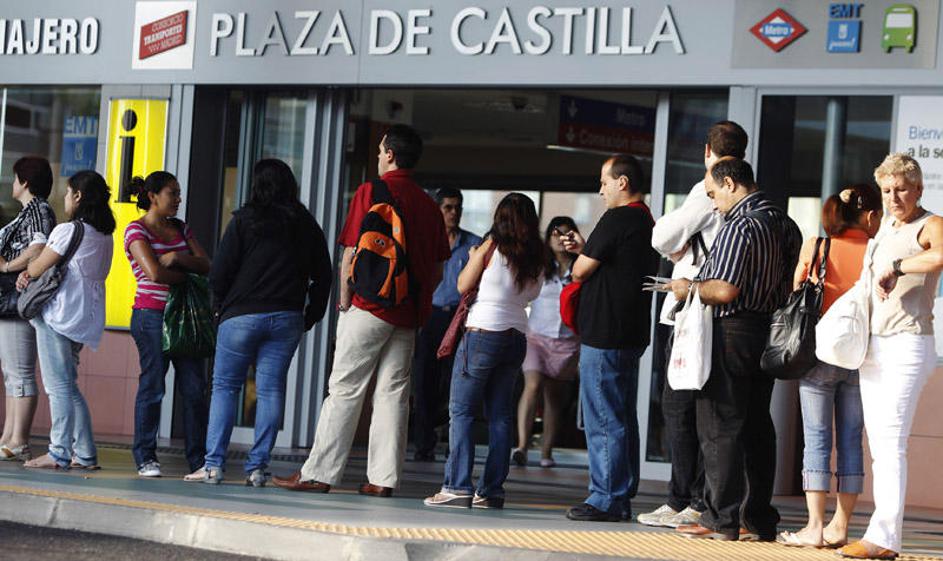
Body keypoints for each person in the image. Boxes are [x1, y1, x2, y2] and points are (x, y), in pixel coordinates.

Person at [274, 124, 450, 498]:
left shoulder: (372, 191)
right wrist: (415, 301)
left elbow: (352, 252)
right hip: (408, 314)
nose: (379, 156)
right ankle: (383, 479)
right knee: (393, 395)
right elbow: (437, 270)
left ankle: (318, 473)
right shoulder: (430, 206)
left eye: (381, 150)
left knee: (345, 389)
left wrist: (345, 301)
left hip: (369, 307)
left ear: (390, 155)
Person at [670, 157, 801, 541]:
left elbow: (725, 289)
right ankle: (756, 517)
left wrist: (688, 287)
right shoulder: (786, 224)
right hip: (769, 331)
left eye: (713, 194)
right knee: (757, 426)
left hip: (731, 330)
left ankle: (720, 518)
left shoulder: (740, 224)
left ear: (730, 183)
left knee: (719, 424)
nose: (713, 205)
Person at [185, 159, 332, 486]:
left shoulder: (244, 221)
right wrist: (310, 315)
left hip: (240, 316)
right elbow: (324, 275)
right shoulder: (306, 225)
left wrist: (218, 308)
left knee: (225, 387)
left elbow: (219, 271)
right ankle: (256, 468)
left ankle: (213, 465)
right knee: (270, 390)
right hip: (287, 317)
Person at [640, 121, 746, 529]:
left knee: (682, 408)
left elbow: (661, 237)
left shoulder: (707, 188)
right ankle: (692, 498)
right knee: (696, 409)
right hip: (706, 309)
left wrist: (678, 244)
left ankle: (687, 500)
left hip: (693, 309)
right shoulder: (741, 190)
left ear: (707, 151)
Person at [837, 154, 943, 560]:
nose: (893, 197)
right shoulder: (885, 226)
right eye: (886, 190)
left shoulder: (929, 224)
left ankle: (883, 538)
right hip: (875, 344)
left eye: (901, 189)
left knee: (892, 443)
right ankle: (883, 536)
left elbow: (939, 255)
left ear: (918, 189)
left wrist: (897, 267)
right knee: (880, 445)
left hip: (908, 343)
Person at [777, 184, 882, 548]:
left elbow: (796, 289)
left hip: (819, 354)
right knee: (852, 439)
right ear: (868, 215)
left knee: (817, 438)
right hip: (861, 355)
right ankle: (841, 526)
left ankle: (815, 527)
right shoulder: (876, 249)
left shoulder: (817, 246)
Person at [423, 193, 544, 509]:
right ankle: (491, 491)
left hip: (482, 334)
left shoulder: (490, 246)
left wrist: (475, 256)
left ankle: (457, 486)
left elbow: (463, 284)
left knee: (462, 411)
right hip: (516, 337)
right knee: (500, 416)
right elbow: (531, 295)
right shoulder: (537, 256)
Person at [560, 154, 658, 522]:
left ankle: (606, 497)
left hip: (605, 333)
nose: (600, 189)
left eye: (604, 181)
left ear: (622, 182)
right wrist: (585, 249)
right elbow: (609, 262)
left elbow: (581, 270)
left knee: (603, 417)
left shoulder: (617, 217)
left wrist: (580, 256)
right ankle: (620, 493)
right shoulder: (645, 219)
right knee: (621, 416)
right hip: (629, 332)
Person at [20, 171, 115, 470]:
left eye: (67, 192)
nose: (64, 198)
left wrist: (28, 267)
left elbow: (37, 267)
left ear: (78, 196)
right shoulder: (105, 236)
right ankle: (84, 453)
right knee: (68, 386)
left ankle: (59, 452)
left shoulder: (69, 230)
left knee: (58, 387)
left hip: (58, 316)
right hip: (84, 318)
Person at [125, 171, 211, 478]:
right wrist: (187, 277)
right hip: (151, 316)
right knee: (153, 386)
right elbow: (154, 274)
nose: (178, 199)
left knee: (194, 389)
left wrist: (177, 257)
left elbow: (206, 264)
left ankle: (198, 460)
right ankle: (145, 456)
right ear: (153, 196)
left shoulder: (181, 228)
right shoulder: (136, 230)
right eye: (172, 193)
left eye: (178, 193)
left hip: (184, 318)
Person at [412, 187, 481, 462]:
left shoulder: (473, 244)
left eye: (457, 207)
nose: (454, 213)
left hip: (460, 318)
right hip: (430, 317)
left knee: (455, 381)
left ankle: (452, 440)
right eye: (448, 207)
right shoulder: (425, 241)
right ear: (438, 210)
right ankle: (423, 444)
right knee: (424, 381)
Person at [512, 216, 580, 469]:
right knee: (532, 385)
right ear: (548, 238)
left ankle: (546, 452)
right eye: (555, 233)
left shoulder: (581, 266)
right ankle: (521, 446)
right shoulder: (539, 265)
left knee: (554, 398)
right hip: (536, 337)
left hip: (568, 341)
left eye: (567, 233)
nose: (561, 239)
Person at [0, 156, 56, 462]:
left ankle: (19, 439)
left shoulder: (38, 209)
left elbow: (38, 248)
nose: (13, 184)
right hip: (11, 300)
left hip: (17, 299)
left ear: (25, 182)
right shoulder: (30, 211)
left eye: (15, 178)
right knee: (12, 373)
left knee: (20, 372)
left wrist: (7, 265)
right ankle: (9, 437)